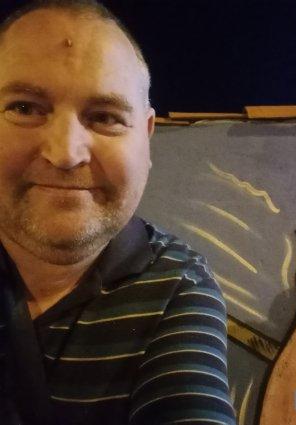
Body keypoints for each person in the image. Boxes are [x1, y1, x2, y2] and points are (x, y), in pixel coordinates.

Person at [0, 1, 236, 424]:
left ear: (146, 137)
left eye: (105, 117)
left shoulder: (177, 290)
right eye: (24, 108)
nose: (66, 153)